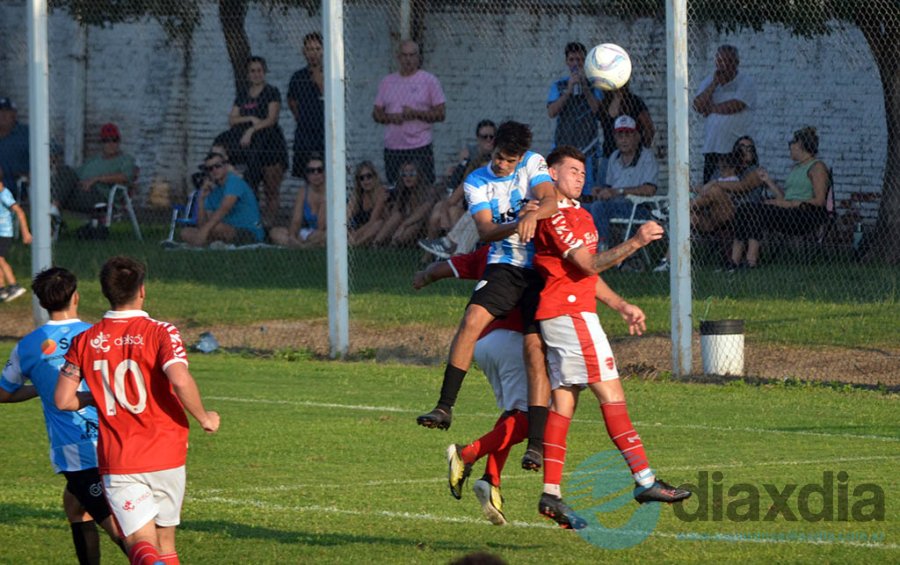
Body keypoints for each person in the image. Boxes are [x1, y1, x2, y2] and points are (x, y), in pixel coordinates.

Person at [531, 145, 690, 529]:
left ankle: (551, 494)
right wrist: (635, 242)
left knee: (564, 404)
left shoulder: (581, 215)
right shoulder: (555, 216)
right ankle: (645, 481)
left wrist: (619, 305)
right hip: (570, 316)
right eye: (571, 170)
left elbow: (587, 273)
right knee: (612, 394)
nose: (579, 176)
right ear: (551, 173)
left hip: (572, 313)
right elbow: (586, 263)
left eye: (583, 171)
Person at [55, 256, 220, 565]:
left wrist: (95, 398)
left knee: (139, 541)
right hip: (166, 451)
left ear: (105, 291)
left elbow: (63, 400)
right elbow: (180, 378)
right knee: (166, 543)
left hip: (120, 457)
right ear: (142, 290)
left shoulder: (85, 339)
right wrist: (205, 417)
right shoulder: (162, 332)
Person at [416, 121, 558, 473]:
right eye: (498, 157)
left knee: (534, 352)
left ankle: (537, 446)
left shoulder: (533, 163)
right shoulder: (477, 180)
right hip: (505, 264)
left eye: (509, 161)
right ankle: (445, 406)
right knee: (471, 321)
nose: (502, 165)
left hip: (539, 270)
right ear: (491, 147)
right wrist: (518, 224)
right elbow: (485, 229)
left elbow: (551, 200)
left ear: (521, 157)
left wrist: (534, 213)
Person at [0, 267, 126, 564]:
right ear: (76, 297)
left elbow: (3, 393)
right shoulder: (100, 335)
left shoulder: (29, 346)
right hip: (118, 437)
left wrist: (41, 388)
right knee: (74, 506)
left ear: (42, 304)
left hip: (78, 450)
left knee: (123, 532)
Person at [413, 246, 528, 526]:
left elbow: (443, 268)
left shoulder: (491, 252)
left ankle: (491, 479)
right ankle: (466, 454)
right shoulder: (530, 251)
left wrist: (424, 276)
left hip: (484, 343)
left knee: (516, 412)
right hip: (514, 340)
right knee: (535, 416)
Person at [730, 126, 830, 269]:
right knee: (744, 208)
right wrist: (768, 181)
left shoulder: (817, 166)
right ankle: (734, 261)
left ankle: (751, 261)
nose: (790, 146)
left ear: (800, 145)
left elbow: (820, 200)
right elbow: (784, 198)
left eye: (792, 143)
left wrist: (790, 204)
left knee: (758, 211)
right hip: (787, 212)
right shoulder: (796, 168)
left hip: (805, 215)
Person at [215, 55, 288, 222]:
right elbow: (232, 119)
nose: (256, 74)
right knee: (250, 186)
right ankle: (252, 223)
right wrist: (249, 119)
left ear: (265, 72)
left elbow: (271, 119)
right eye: (252, 71)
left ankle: (270, 225)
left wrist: (252, 130)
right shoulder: (243, 94)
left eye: (259, 70)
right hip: (250, 148)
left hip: (270, 144)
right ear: (248, 74)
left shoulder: (271, 92)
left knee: (271, 189)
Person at [372, 40, 446, 185]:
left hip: (419, 147)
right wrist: (391, 117)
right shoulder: (387, 82)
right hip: (393, 148)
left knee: (424, 189)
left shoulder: (429, 81)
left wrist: (416, 114)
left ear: (418, 57)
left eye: (412, 55)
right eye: (404, 55)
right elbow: (376, 113)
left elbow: (441, 113)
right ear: (398, 57)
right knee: (395, 190)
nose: (408, 59)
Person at [588, 115, 659, 249]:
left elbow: (650, 190)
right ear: (615, 138)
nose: (624, 140)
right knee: (583, 208)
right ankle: (585, 248)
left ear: (637, 137)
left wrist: (618, 191)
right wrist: (601, 191)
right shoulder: (614, 156)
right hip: (613, 205)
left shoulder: (647, 156)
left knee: (598, 208)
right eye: (620, 136)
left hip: (637, 207)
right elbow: (609, 187)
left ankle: (602, 248)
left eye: (628, 135)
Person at [693, 45, 756, 183]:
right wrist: (714, 84)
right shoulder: (710, 80)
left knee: (733, 187)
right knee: (709, 185)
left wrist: (711, 108)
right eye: (720, 61)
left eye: (728, 61)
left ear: (736, 62)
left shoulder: (745, 81)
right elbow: (697, 105)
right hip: (712, 148)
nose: (724, 65)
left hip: (735, 148)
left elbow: (736, 105)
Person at [547, 42, 602, 194]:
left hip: (588, 145)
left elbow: (597, 110)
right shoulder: (559, 85)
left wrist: (584, 87)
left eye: (579, 60)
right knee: (561, 188)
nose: (576, 64)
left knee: (587, 190)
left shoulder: (593, 85)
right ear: (567, 62)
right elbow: (551, 112)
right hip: (564, 143)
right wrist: (568, 91)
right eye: (572, 60)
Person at [181, 151, 265, 247]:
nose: (214, 170)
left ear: (225, 166)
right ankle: (211, 242)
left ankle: (207, 242)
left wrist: (204, 231)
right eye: (210, 169)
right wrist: (201, 200)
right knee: (185, 232)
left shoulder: (233, 181)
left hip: (248, 231)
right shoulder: (211, 190)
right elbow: (202, 224)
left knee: (215, 228)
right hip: (222, 229)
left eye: (218, 166)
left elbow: (224, 208)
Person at [596, 82, 655, 187]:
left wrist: (642, 149)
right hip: (609, 155)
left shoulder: (634, 102)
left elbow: (649, 127)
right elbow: (606, 116)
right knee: (603, 190)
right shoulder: (605, 102)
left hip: (631, 156)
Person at [75, 123, 138, 213]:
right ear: (102, 143)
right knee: (64, 172)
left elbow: (125, 176)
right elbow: (75, 173)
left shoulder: (126, 159)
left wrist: (96, 179)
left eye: (114, 140)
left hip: (103, 197)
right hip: (80, 191)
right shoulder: (94, 159)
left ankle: (54, 207)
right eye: (106, 140)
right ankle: (54, 206)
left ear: (119, 142)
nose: (111, 144)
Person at [372, 161, 436, 247]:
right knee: (397, 215)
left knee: (416, 223)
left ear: (419, 174)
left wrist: (403, 225)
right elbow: (394, 214)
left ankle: (395, 244)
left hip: (422, 229)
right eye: (404, 173)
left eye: (412, 173)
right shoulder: (403, 192)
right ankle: (376, 243)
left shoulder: (429, 191)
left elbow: (421, 213)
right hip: (403, 228)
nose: (407, 177)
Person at [287, 32, 325, 177]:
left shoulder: (331, 73)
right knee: (306, 175)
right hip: (304, 134)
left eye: (316, 49)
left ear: (322, 50)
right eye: (309, 49)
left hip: (324, 132)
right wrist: (300, 117)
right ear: (304, 52)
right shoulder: (298, 76)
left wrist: (319, 80)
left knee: (324, 173)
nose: (313, 54)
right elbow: (292, 101)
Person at [271, 153, 327, 247]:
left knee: (322, 236)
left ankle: (303, 245)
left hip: (324, 232)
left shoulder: (330, 192)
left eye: (319, 170)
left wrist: (323, 201)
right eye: (311, 171)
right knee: (275, 232)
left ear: (325, 172)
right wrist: (293, 236)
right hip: (309, 232)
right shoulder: (303, 192)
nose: (315, 174)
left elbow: (321, 226)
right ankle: (304, 245)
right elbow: (296, 221)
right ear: (307, 174)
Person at [0, 166, 31, 302]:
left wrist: (25, 232)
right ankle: (2, 290)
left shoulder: (4, 194)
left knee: (0, 259)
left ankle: (14, 286)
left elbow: (19, 211)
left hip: (4, 233)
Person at [347, 160, 390, 247]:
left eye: (369, 176)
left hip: (377, 230)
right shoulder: (358, 194)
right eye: (361, 178)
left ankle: (354, 245)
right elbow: (346, 216)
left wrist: (355, 235)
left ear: (375, 177)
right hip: (360, 229)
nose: (366, 181)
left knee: (378, 224)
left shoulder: (381, 192)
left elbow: (372, 221)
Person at [0, 97, 29, 198]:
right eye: (0, 111)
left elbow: (54, 151)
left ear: (14, 114)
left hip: (19, 182)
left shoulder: (26, 133)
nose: (2, 115)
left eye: (7, 111)